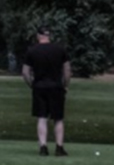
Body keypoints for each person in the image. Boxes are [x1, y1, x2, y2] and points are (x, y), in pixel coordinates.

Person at [22, 26, 71, 156]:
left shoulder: (32, 51)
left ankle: (43, 146)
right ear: (49, 35)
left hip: (39, 87)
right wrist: (65, 85)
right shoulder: (60, 50)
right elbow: (67, 70)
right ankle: (59, 147)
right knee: (58, 118)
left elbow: (25, 72)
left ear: (38, 36)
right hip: (56, 87)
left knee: (42, 117)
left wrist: (32, 84)